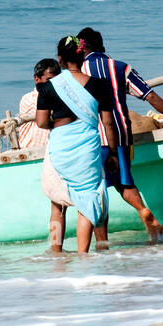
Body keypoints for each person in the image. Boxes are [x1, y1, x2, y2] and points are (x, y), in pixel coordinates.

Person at [76, 27, 163, 240]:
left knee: (97, 191)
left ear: (81, 49)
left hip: (93, 139)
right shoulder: (120, 68)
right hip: (121, 136)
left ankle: (102, 244)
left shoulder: (77, 71)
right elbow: (151, 97)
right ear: (101, 47)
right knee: (124, 183)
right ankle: (142, 210)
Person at [34, 36, 120, 252]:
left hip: (60, 145)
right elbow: (108, 123)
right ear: (82, 56)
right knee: (88, 201)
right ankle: (83, 255)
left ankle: (56, 252)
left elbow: (42, 122)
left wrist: (59, 123)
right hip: (87, 147)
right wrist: (112, 153)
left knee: (57, 203)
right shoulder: (101, 85)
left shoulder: (49, 87)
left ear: (60, 59)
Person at [15, 58, 59, 151]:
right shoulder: (28, 99)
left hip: (51, 148)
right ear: (36, 79)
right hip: (30, 149)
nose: (54, 84)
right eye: (49, 80)